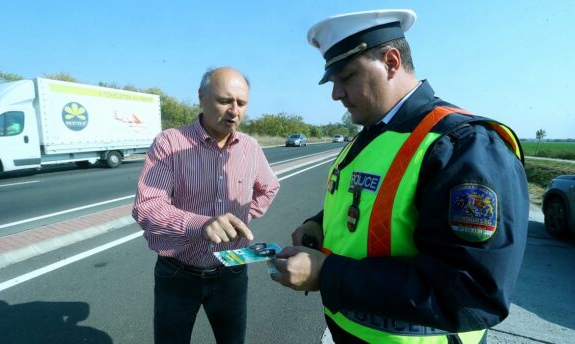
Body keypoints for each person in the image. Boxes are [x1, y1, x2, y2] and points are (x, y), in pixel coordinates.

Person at [270, 9, 529, 344]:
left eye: (346, 77)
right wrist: (318, 224)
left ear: (391, 62)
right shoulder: (370, 135)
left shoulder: (463, 146)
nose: (336, 94)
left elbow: (471, 293)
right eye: (333, 83)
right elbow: (367, 202)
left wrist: (327, 274)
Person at [132, 67, 280, 344]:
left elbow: (268, 186)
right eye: (225, 101)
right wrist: (202, 225)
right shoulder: (170, 143)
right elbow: (148, 206)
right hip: (177, 272)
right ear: (201, 98)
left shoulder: (249, 146)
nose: (234, 110)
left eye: (242, 103)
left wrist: (242, 217)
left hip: (232, 271)